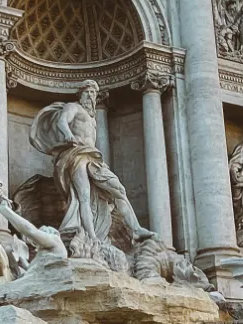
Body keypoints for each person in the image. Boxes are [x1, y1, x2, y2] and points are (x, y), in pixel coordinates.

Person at [28, 82, 152, 251]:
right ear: (81, 94)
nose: (91, 96)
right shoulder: (74, 108)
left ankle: (136, 229)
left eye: (93, 93)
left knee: (118, 191)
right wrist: (69, 135)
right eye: (88, 92)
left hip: (93, 158)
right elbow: (62, 122)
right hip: (76, 154)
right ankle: (91, 237)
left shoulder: (93, 118)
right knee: (83, 197)